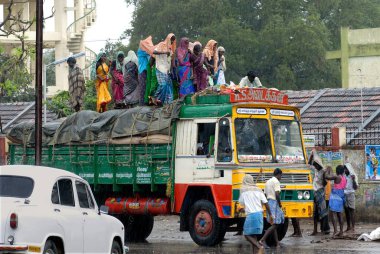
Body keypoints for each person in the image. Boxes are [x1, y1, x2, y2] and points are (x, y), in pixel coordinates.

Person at [238, 174, 274, 254]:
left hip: (251, 215)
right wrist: (270, 214)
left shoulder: (243, 190)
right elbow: (266, 203)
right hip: (259, 215)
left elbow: (241, 204)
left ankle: (259, 246)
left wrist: (242, 209)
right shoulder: (258, 190)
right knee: (254, 236)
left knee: (246, 234)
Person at [260, 168, 285, 247]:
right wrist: (280, 204)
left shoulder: (267, 182)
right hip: (274, 203)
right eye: (281, 175)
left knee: (273, 223)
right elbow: (277, 194)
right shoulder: (276, 181)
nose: (281, 177)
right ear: (279, 174)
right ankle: (262, 240)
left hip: (268, 202)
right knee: (276, 224)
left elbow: (264, 194)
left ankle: (277, 243)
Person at [309, 150, 330, 236]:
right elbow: (308, 164)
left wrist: (325, 178)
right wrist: (312, 155)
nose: (314, 165)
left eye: (315, 164)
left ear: (318, 165)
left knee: (323, 212)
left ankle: (324, 229)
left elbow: (325, 183)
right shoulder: (315, 170)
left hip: (320, 192)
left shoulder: (323, 172)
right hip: (314, 192)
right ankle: (315, 230)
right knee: (315, 212)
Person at [153, 33, 176, 105]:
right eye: (171, 40)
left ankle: (167, 103)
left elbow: (171, 61)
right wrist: (164, 52)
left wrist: (172, 70)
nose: (172, 42)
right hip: (160, 68)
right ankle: (155, 98)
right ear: (168, 39)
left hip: (167, 70)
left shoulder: (170, 49)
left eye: (173, 41)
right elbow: (154, 52)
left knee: (169, 87)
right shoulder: (161, 45)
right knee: (163, 85)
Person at [325, 165, 347, 238]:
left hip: (336, 196)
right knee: (340, 214)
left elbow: (327, 177)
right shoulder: (344, 178)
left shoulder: (337, 177)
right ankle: (341, 231)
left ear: (337, 171)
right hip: (342, 195)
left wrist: (327, 170)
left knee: (333, 213)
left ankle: (335, 231)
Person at [138, 36, 155, 106]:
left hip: (147, 70)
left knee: (148, 86)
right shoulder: (141, 51)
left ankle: (148, 101)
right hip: (143, 71)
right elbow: (152, 51)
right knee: (143, 87)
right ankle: (142, 104)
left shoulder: (145, 51)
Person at [344, 163, 358, 232]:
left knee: (352, 210)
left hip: (351, 194)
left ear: (349, 169)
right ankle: (348, 226)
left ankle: (353, 227)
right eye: (344, 169)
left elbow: (355, 188)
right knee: (346, 211)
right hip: (344, 194)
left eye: (346, 169)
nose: (345, 170)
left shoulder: (353, 176)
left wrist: (353, 180)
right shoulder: (344, 176)